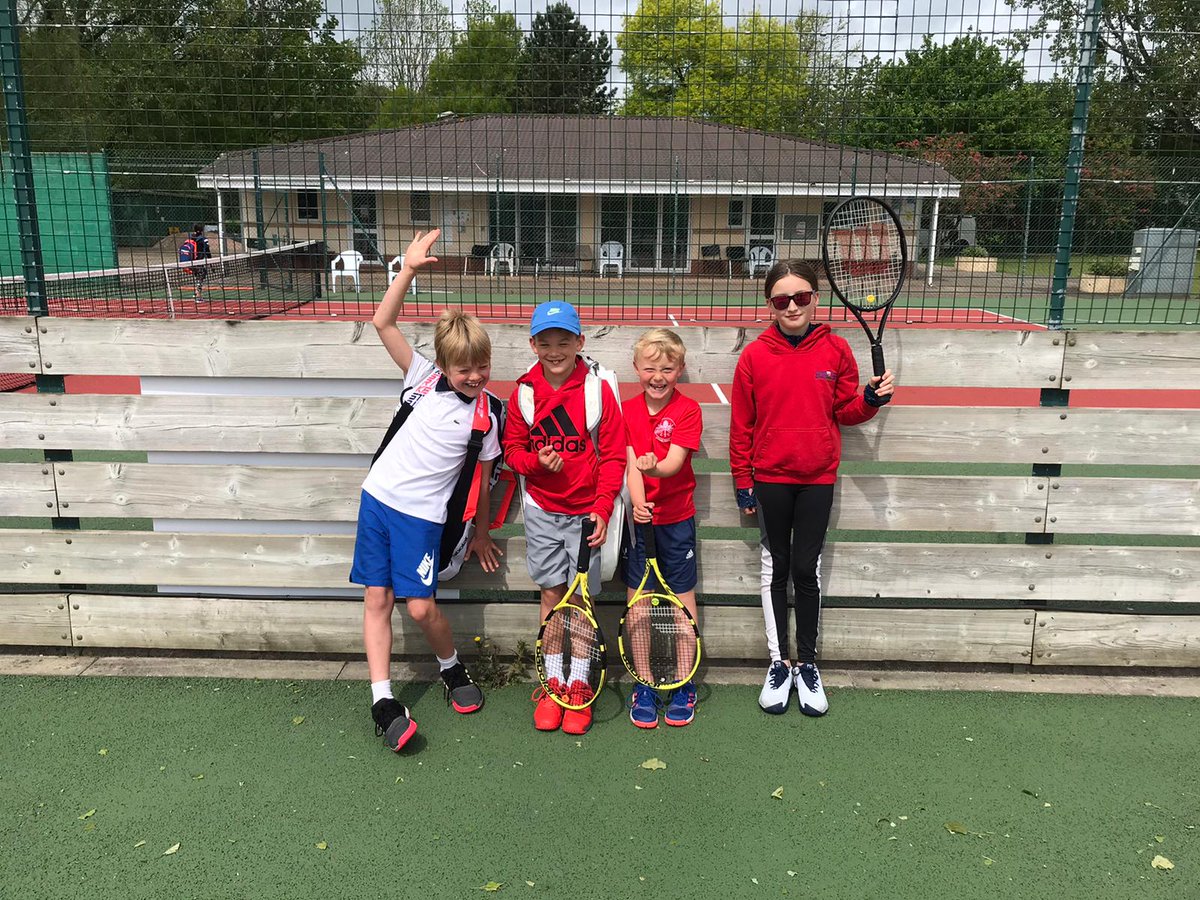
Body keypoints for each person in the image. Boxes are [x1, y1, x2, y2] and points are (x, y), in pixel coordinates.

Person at [350, 229, 503, 753]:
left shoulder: (487, 414)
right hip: (377, 501)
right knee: (377, 598)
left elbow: (483, 479)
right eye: (464, 369)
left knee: (418, 608)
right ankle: (382, 700)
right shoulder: (421, 377)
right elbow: (382, 322)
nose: (476, 376)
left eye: (483, 367)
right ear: (442, 365)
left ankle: (449, 666)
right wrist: (408, 269)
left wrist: (482, 534)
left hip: (422, 520)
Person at [729, 259, 894, 718]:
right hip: (770, 479)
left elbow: (845, 411)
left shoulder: (836, 350)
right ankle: (778, 663)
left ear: (816, 299)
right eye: (783, 299)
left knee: (807, 570)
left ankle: (807, 664)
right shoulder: (754, 356)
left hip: (817, 477)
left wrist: (869, 400)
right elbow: (741, 427)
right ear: (770, 306)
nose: (793, 306)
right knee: (774, 570)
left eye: (802, 297)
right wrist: (743, 482)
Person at [503, 300, 625, 736]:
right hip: (542, 513)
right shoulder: (524, 393)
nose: (555, 350)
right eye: (546, 342)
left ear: (580, 342)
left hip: (587, 514)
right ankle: (554, 681)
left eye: (564, 341)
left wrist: (603, 507)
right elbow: (513, 452)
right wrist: (536, 463)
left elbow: (613, 458)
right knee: (552, 599)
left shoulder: (597, 390)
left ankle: (581, 686)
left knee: (583, 604)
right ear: (532, 344)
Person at [622, 328, 704, 729]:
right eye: (650, 368)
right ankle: (645, 683)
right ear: (636, 368)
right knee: (638, 601)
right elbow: (630, 460)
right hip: (641, 525)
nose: (658, 376)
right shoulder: (627, 410)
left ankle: (684, 682)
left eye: (667, 369)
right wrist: (638, 503)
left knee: (682, 599)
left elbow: (672, 463)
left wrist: (655, 468)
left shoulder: (688, 410)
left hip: (676, 523)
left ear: (680, 370)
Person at [178, 224, 211, 301]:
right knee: (202, 274)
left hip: (190, 262)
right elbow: (208, 252)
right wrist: (211, 263)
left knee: (199, 276)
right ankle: (198, 295)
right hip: (197, 262)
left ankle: (196, 293)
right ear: (202, 230)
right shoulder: (203, 239)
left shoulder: (191, 238)